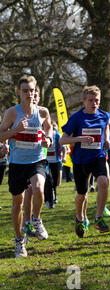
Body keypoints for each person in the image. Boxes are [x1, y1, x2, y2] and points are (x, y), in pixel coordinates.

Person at [0, 75, 52, 258]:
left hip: (37, 159)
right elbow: (1, 135)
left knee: (38, 188)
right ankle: (19, 240)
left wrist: (49, 138)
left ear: (35, 90)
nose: (29, 94)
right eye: (25, 91)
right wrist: (15, 130)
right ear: (18, 92)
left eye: (32, 90)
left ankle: (36, 220)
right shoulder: (12, 113)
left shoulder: (43, 111)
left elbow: (49, 126)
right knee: (18, 203)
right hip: (17, 163)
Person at [60, 85, 110, 238]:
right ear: (84, 101)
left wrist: (107, 140)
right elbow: (62, 140)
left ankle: (99, 218)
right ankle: (79, 218)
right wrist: (80, 139)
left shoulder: (104, 115)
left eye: (97, 100)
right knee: (82, 195)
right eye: (90, 100)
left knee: (104, 182)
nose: (94, 103)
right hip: (80, 160)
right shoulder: (77, 118)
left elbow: (106, 128)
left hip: (98, 156)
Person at [45, 120, 65, 208]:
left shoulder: (57, 135)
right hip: (45, 161)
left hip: (56, 161)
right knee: (48, 180)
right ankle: (48, 200)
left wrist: (64, 157)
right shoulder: (42, 134)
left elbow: (64, 147)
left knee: (55, 182)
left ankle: (54, 197)